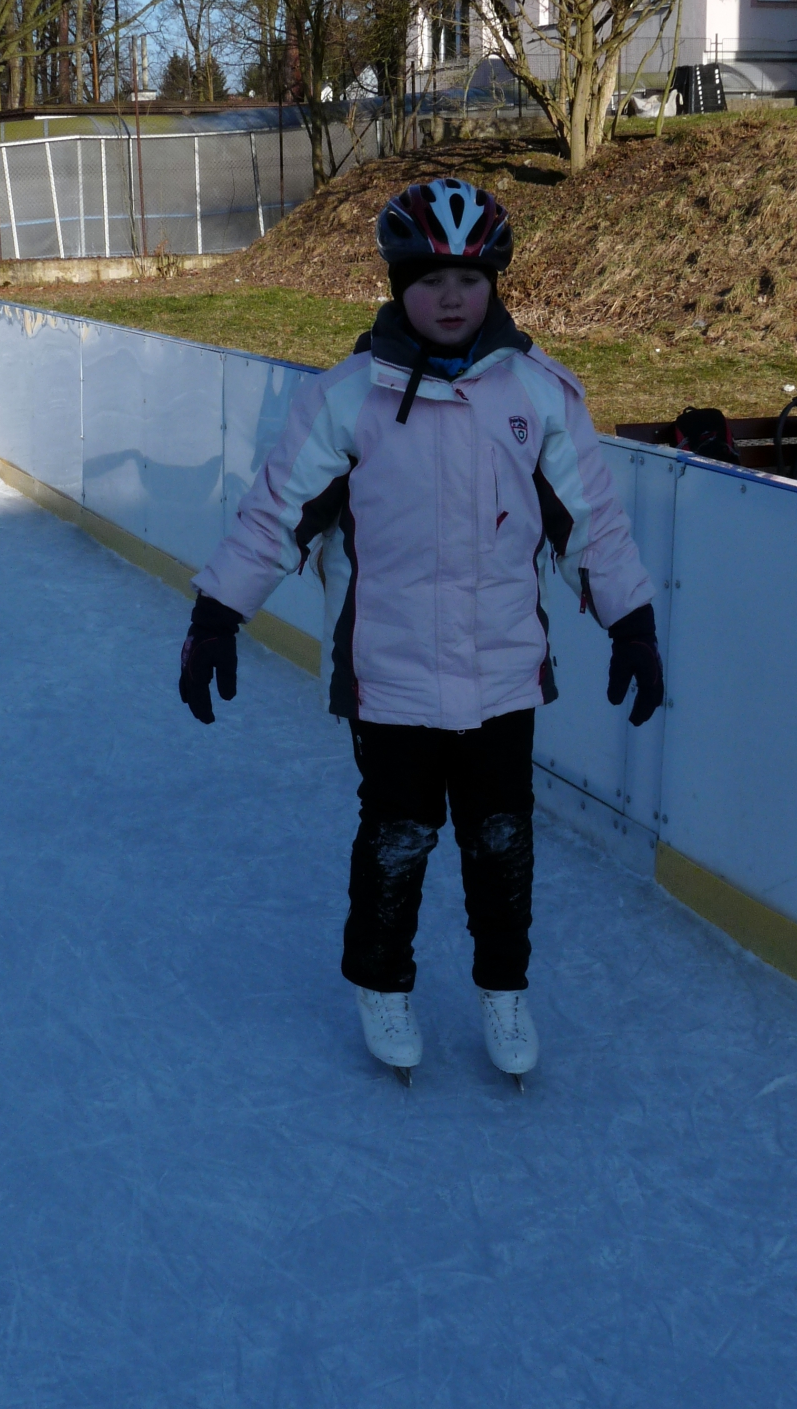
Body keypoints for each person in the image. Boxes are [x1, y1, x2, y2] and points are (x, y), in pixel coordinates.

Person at [178, 177, 663, 1087]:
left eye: (469, 281)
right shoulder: (346, 400)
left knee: (502, 838)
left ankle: (504, 988)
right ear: (398, 284)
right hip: (387, 673)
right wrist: (218, 615)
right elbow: (276, 516)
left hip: (504, 671)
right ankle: (383, 984)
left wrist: (630, 621)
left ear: (495, 285)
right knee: (397, 836)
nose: (450, 299)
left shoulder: (538, 395)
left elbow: (590, 522)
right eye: (430, 280)